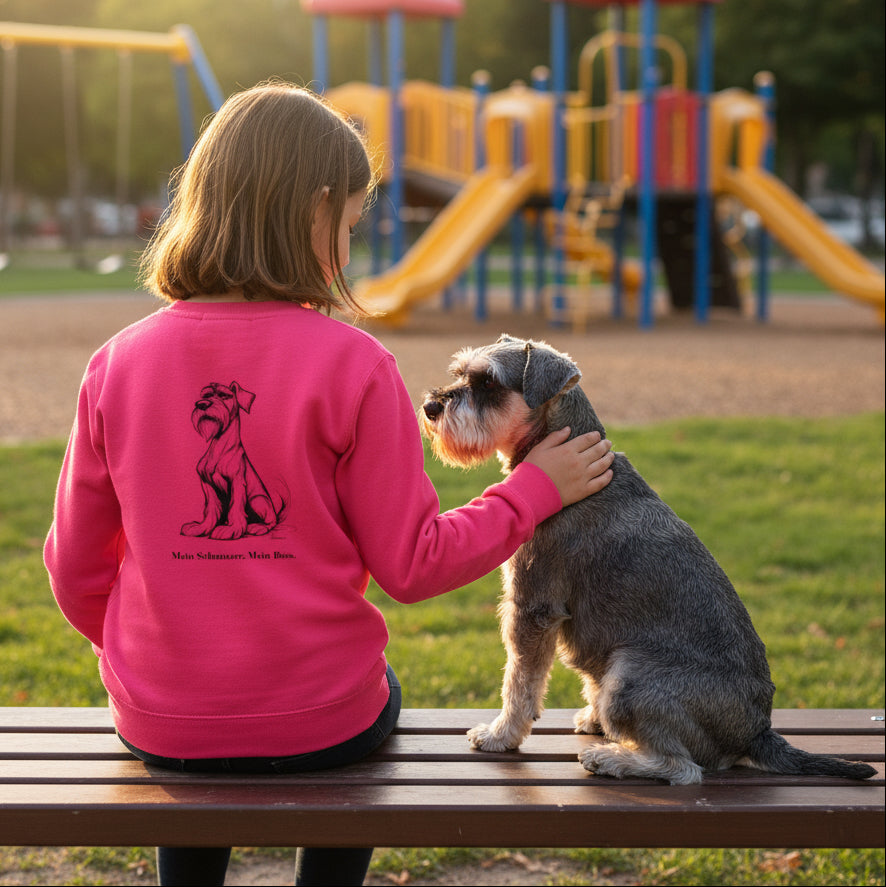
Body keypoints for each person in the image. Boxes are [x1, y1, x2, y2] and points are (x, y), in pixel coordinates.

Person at [44, 81, 614, 887]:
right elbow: (413, 566)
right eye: (348, 225)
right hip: (321, 720)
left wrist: (158, 661)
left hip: (162, 716)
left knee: (201, 754)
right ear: (313, 213)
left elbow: (72, 568)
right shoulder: (354, 367)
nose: (349, 247)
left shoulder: (117, 364)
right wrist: (531, 491)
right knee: (370, 693)